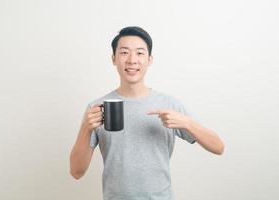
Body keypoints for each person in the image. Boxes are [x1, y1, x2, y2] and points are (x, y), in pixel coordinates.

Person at [70, 26, 225, 200]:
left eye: (140, 53)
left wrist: (187, 122)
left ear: (150, 59)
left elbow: (218, 147)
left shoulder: (169, 104)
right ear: (114, 59)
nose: (132, 60)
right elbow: (76, 171)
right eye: (124, 52)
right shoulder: (97, 108)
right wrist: (86, 128)